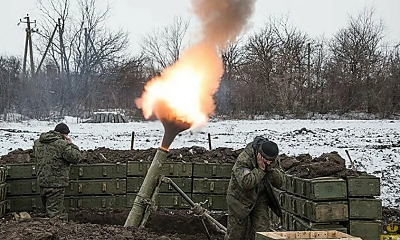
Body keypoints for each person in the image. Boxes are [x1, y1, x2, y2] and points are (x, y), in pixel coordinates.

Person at [225, 136, 283, 240]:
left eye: (272, 160)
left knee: (262, 233)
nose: (269, 163)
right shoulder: (244, 159)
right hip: (239, 201)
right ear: (259, 155)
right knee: (236, 234)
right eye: (267, 160)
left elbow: (280, 182)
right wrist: (261, 170)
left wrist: (271, 170)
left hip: (260, 199)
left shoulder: (271, 160)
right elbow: (246, 183)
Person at [33, 123, 81, 220]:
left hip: (42, 181)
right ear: (64, 134)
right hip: (56, 184)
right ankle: (57, 231)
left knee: (50, 209)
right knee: (56, 215)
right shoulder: (62, 144)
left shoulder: (38, 142)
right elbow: (76, 158)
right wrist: (71, 144)